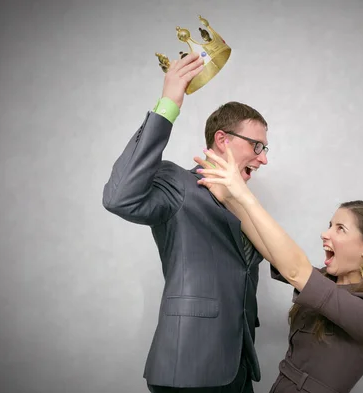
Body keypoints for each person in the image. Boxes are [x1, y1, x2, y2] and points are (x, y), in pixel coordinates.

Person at [102, 51, 270, 392]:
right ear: (222, 139)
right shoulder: (178, 184)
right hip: (189, 369)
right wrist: (168, 104)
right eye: (257, 145)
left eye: (266, 148)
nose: (263, 158)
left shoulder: (246, 204)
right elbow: (118, 197)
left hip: (238, 366)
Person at [194, 145, 363, 393]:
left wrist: (244, 195)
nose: (325, 234)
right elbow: (271, 250)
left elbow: (295, 270)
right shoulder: (328, 282)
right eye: (330, 225)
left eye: (340, 229)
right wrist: (228, 198)